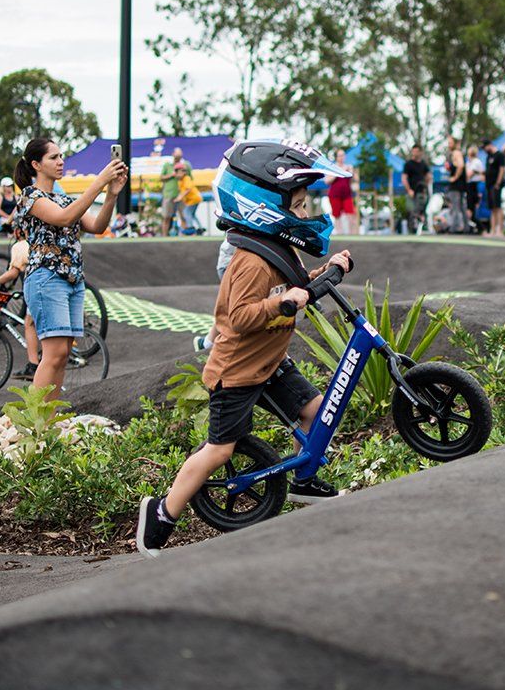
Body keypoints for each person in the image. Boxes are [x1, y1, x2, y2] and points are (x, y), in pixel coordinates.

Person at [136, 139, 353, 557]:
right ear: (265, 207)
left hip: (269, 363)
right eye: (298, 205)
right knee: (220, 450)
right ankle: (161, 514)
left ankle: (304, 481)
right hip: (236, 372)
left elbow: (295, 284)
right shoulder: (251, 262)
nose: (304, 214)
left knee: (315, 412)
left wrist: (324, 272)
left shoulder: (278, 249)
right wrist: (282, 303)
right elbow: (239, 317)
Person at [12, 137, 127, 401]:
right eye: (53, 157)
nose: (61, 161)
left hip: (73, 281)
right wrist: (100, 181)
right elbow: (64, 218)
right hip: (46, 278)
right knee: (53, 355)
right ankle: (35, 417)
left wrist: (111, 194)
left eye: (61, 156)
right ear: (36, 165)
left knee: (62, 355)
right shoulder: (31, 196)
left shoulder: (64, 199)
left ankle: (48, 417)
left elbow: (97, 226)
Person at [0, 226, 41, 379]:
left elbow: (13, 273)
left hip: (39, 287)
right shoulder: (42, 239)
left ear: (18, 232)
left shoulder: (20, 246)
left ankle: (33, 365)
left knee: (29, 323)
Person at [159, 147, 191, 236]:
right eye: (177, 156)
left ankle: (184, 236)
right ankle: (164, 237)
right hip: (169, 194)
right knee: (166, 217)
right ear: (173, 155)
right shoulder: (167, 165)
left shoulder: (185, 165)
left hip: (181, 195)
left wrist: (183, 173)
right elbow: (161, 177)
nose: (178, 158)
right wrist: (172, 175)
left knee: (184, 216)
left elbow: (190, 178)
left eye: (179, 156)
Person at [325, 148, 358, 235]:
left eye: (343, 155)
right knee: (337, 216)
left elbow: (356, 179)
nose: (341, 157)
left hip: (347, 195)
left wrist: (351, 172)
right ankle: (339, 234)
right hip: (334, 195)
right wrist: (338, 172)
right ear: (336, 157)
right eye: (340, 155)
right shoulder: (332, 168)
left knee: (351, 214)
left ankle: (352, 235)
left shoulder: (348, 167)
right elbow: (327, 181)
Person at [402, 144, 431, 234]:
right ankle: (412, 229)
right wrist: (409, 190)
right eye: (413, 151)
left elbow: (429, 176)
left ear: (420, 152)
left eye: (416, 151)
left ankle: (422, 227)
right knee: (411, 210)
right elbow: (404, 178)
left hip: (421, 192)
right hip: (412, 192)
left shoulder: (423, 164)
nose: (414, 153)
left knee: (421, 210)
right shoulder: (408, 164)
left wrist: (425, 185)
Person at [483, 139, 505, 235]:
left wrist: (498, 183)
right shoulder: (488, 156)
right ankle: (492, 230)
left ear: (489, 145)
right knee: (492, 208)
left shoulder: (499, 155)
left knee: (498, 207)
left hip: (496, 185)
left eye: (485, 147)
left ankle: (500, 230)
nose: (484, 150)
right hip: (489, 185)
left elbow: (502, 169)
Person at [176, 163, 203, 234]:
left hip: (194, 199)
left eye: (179, 172)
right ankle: (200, 228)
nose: (177, 174)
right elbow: (181, 191)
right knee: (192, 214)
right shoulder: (180, 181)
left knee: (186, 212)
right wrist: (178, 197)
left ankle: (190, 228)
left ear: (184, 172)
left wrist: (180, 197)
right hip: (192, 200)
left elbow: (188, 189)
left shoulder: (186, 178)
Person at [445, 148, 467, 233]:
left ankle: (455, 227)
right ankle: (465, 227)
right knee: (461, 207)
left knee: (455, 207)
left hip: (456, 187)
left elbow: (461, 166)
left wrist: (455, 177)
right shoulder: (455, 162)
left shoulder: (458, 157)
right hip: (460, 187)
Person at [465, 144, 484, 232]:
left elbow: (468, 175)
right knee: (470, 208)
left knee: (472, 209)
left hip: (474, 186)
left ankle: (481, 228)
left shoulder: (476, 162)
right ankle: (474, 227)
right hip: (470, 186)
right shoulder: (469, 162)